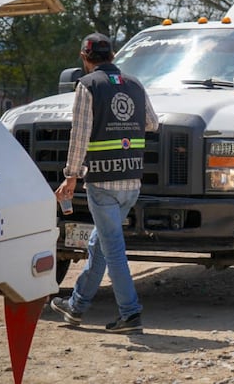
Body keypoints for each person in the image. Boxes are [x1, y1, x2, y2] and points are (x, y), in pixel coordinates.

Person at [50, 33, 158, 334]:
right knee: (101, 243)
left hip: (103, 182)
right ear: (112, 56)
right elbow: (153, 123)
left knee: (112, 249)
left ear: (85, 59)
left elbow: (80, 134)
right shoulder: (135, 84)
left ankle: (130, 313)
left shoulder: (88, 85)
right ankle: (76, 306)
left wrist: (71, 176)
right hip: (131, 182)